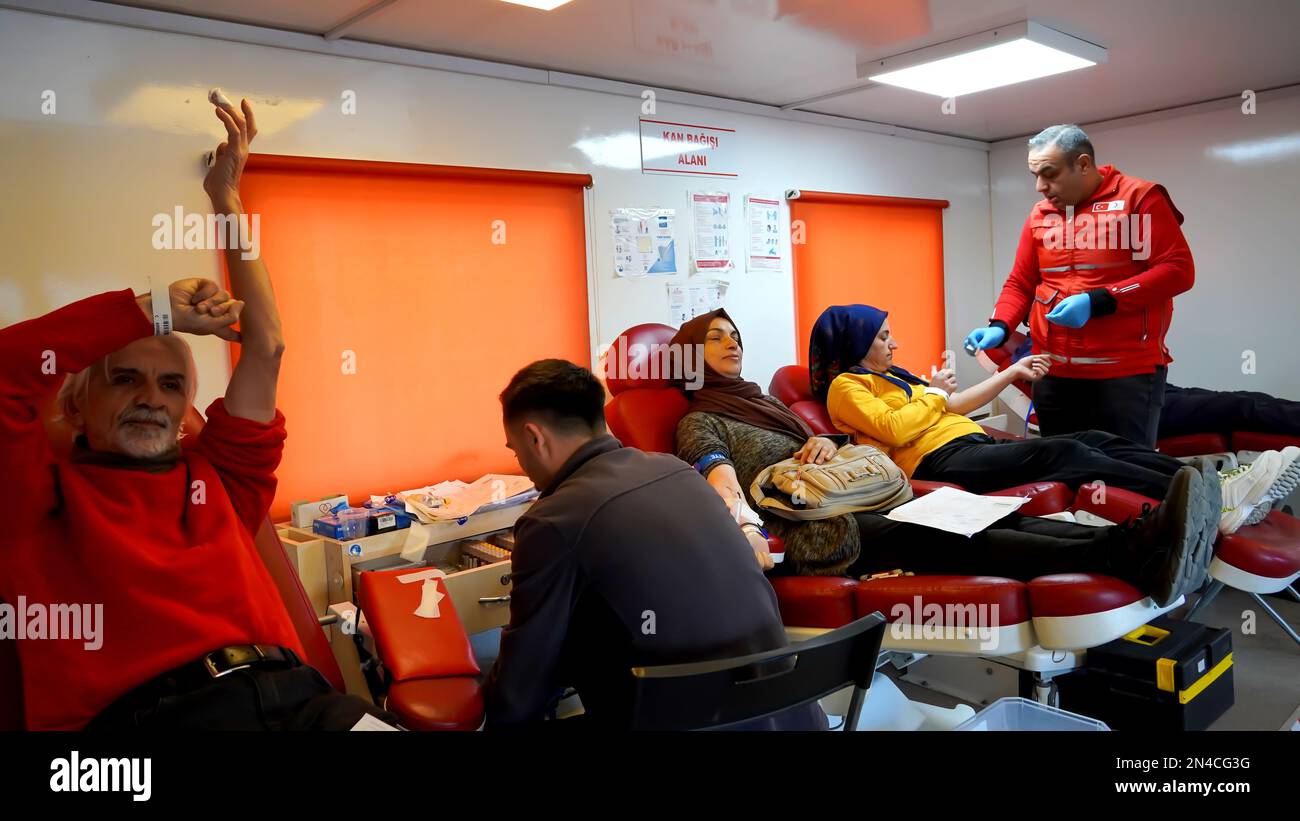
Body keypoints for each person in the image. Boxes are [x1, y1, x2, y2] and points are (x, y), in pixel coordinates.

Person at [0, 95, 395, 730]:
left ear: (188, 406)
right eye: (124, 379)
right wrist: (153, 308)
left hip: (299, 703)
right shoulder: (32, 501)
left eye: (170, 385)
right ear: (76, 405)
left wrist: (228, 200)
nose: (151, 398)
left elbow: (265, 346)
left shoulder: (220, 481)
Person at [673, 309, 1209, 607]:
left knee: (991, 514)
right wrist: (747, 533)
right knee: (958, 539)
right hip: (822, 530)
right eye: (717, 339)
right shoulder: (700, 420)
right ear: (691, 355)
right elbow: (722, 484)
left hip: (857, 495)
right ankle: (1127, 555)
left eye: (737, 336)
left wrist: (823, 444)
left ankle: (1139, 537)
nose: (733, 344)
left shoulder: (767, 405)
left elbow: (829, 446)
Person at [482, 359, 826, 730]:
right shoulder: (679, 472)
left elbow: (523, 686)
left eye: (516, 451)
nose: (524, 469)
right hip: (789, 713)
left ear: (535, 437)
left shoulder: (551, 520)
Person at [964, 124, 1195, 448]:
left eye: (1050, 174)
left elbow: (1177, 270)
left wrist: (1099, 301)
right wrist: (1000, 326)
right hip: (1053, 374)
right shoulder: (1040, 214)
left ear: (1083, 164)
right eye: (1035, 175)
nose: (1040, 186)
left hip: (1125, 374)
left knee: (1126, 474)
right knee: (1065, 472)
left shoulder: (1137, 198)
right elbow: (1021, 282)